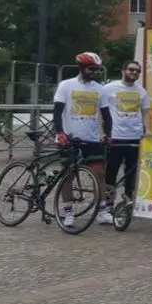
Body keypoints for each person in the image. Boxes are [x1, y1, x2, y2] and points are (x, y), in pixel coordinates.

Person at [52, 52, 107, 229]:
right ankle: (68, 213)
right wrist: (60, 132)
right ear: (81, 68)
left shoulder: (99, 89)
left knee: (99, 174)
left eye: (97, 69)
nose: (95, 72)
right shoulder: (66, 85)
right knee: (68, 175)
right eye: (92, 69)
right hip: (69, 137)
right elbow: (57, 112)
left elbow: (106, 115)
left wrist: (109, 134)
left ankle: (102, 211)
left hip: (91, 139)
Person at [97, 60, 150, 225]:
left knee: (131, 175)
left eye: (137, 71)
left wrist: (147, 131)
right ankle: (106, 208)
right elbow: (100, 112)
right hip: (116, 137)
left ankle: (127, 206)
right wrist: (102, 132)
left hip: (134, 137)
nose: (134, 73)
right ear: (123, 70)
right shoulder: (108, 89)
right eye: (131, 70)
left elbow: (146, 112)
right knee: (110, 174)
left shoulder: (141, 91)